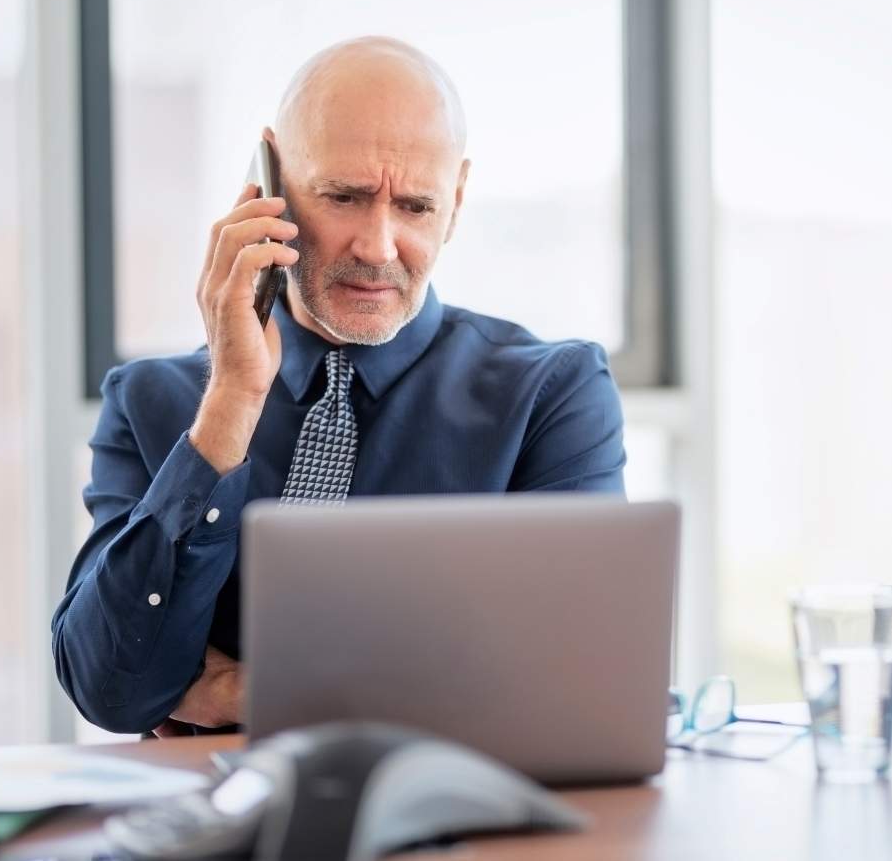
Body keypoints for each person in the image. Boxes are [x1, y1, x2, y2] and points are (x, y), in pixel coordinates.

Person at [52, 37, 626, 736]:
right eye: (344, 196)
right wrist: (230, 404)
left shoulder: (552, 394)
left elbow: (577, 677)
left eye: (415, 207)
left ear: (458, 200)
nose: (379, 247)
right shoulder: (150, 404)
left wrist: (244, 692)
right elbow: (110, 689)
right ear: (271, 184)